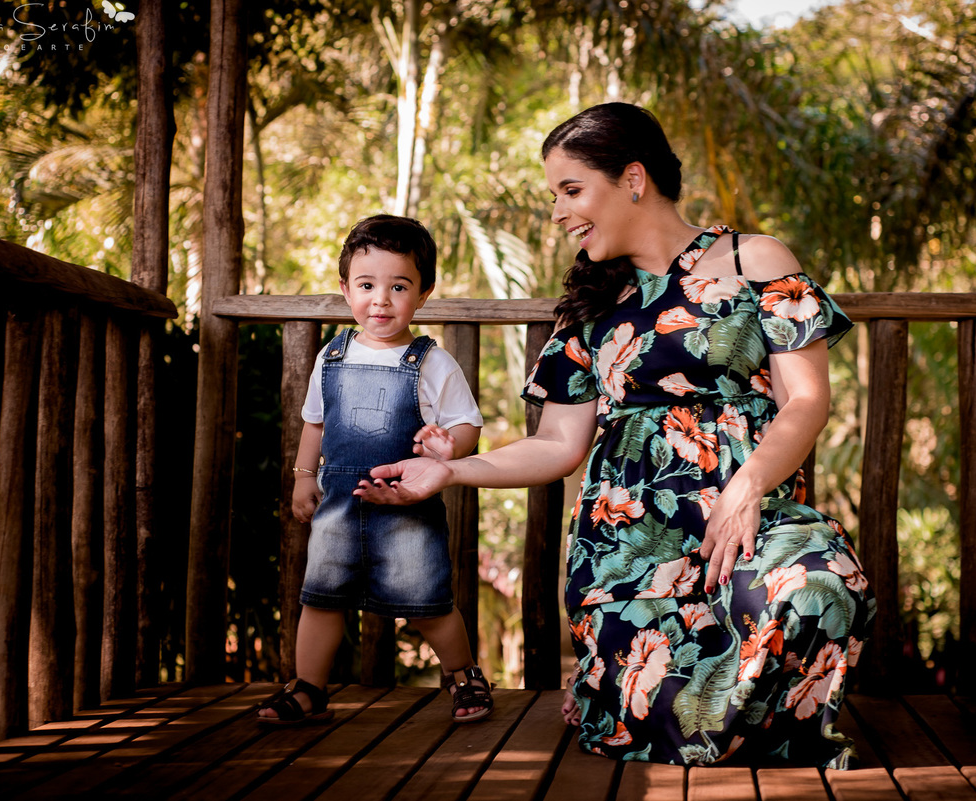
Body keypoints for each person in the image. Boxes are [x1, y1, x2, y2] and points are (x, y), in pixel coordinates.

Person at [355, 104, 874, 768]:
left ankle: (713, 717)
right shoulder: (592, 303)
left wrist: (746, 488)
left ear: (633, 178)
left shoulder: (755, 259)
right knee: (672, 715)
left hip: (747, 524)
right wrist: (451, 470)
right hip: (628, 551)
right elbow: (557, 444)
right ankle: (633, 694)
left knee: (825, 584)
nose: (558, 213)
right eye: (555, 195)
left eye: (571, 190)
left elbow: (806, 400)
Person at [258, 214, 493, 726]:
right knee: (320, 599)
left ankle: (463, 675)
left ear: (424, 294)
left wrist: (447, 445)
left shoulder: (431, 362)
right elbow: (315, 422)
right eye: (366, 285)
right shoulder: (332, 355)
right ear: (346, 289)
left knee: (428, 602)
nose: (381, 300)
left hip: (407, 508)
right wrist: (303, 476)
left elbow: (466, 424)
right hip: (339, 505)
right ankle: (308, 687)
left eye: (398, 287)